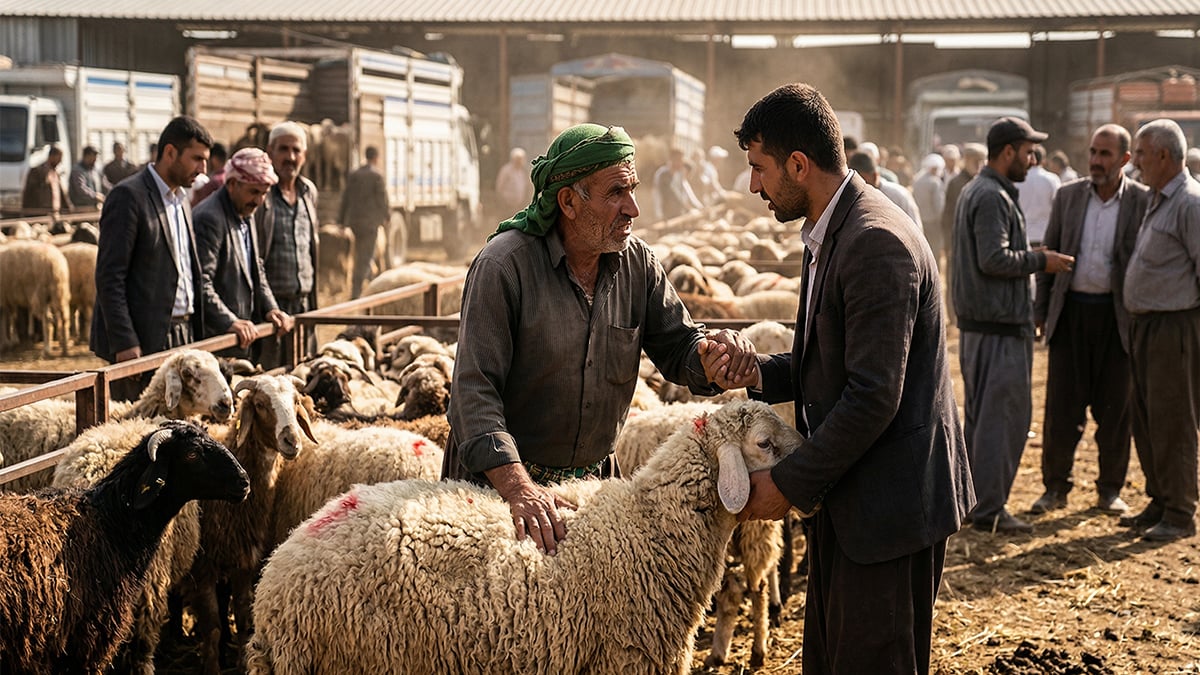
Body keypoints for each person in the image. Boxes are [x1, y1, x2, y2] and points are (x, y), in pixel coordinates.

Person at [704, 82, 973, 675]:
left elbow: (875, 395)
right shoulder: (830, 234)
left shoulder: (875, 242)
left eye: (759, 168)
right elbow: (827, 360)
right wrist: (755, 372)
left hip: (887, 511)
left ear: (799, 164)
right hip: (850, 497)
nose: (753, 186)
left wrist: (787, 484)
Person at [443, 123, 752, 556]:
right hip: (498, 499)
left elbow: (678, 345)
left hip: (590, 491)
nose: (634, 209)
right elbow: (474, 393)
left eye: (634, 190)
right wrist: (518, 488)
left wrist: (711, 356)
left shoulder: (637, 264)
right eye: (616, 193)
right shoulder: (504, 268)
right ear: (568, 201)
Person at [951, 117, 1075, 534]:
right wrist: (1043, 260)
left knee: (984, 419)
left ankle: (974, 503)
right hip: (998, 329)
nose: (1033, 158)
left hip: (983, 326)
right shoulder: (991, 196)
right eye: (1027, 151)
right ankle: (988, 510)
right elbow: (994, 259)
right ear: (1008, 153)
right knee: (1002, 421)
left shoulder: (981, 189)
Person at [1031, 124, 1150, 517]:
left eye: (1106, 154)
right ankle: (1054, 488)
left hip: (1118, 320)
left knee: (1116, 410)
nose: (1097, 161)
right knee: (1062, 409)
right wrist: (1042, 313)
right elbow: (1049, 258)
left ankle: (1109, 489)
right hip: (1071, 315)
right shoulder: (1068, 196)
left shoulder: (1142, 202)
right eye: (1094, 153)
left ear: (1125, 160)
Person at [91, 116, 213, 401]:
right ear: (170, 152)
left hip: (182, 332)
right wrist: (125, 340)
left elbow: (184, 267)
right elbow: (110, 276)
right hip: (143, 338)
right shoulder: (128, 197)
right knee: (138, 429)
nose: (203, 168)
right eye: (197, 158)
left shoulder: (181, 199)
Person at [1120, 119, 1200, 542]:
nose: (1135, 162)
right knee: (1146, 417)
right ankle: (1160, 497)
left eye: (1141, 153)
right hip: (1147, 327)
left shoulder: (1189, 203)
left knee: (1173, 420)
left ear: (1164, 157)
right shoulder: (1158, 199)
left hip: (1175, 329)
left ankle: (1180, 511)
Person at [194, 147, 295, 360]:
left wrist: (271, 308)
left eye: (264, 193)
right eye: (254, 192)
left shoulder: (245, 212)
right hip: (219, 341)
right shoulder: (210, 218)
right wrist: (229, 321)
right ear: (232, 184)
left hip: (243, 336)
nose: (259, 201)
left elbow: (255, 266)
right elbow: (201, 282)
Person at [255, 121, 319, 370]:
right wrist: (267, 305)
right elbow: (255, 258)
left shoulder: (308, 192)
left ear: (304, 155)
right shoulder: (262, 194)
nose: (290, 157)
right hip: (272, 307)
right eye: (283, 149)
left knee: (304, 372)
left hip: (303, 304)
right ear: (270, 152)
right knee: (272, 376)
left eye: (296, 150)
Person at [339, 145, 390, 298]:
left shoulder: (354, 174)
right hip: (370, 225)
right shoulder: (377, 176)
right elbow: (383, 200)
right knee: (366, 258)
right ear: (376, 158)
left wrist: (341, 221)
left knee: (359, 256)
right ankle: (364, 292)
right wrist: (386, 217)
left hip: (355, 224)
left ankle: (360, 290)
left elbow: (345, 198)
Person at [847, 150, 921, 225]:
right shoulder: (851, 197)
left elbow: (916, 228)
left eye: (864, 180)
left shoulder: (899, 195)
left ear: (875, 176)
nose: (861, 184)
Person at [1016, 145, 1061, 247]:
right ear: (1044, 160)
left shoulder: (1017, 181)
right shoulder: (1052, 180)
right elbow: (1059, 208)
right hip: (1045, 235)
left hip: (1024, 235)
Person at [654, 147, 703, 221]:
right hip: (666, 215)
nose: (681, 162)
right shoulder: (662, 174)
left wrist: (698, 206)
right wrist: (659, 215)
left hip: (677, 213)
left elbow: (684, 192)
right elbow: (657, 194)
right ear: (672, 159)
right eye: (679, 160)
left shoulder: (678, 174)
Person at [912, 153, 947, 255]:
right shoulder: (935, 182)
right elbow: (939, 205)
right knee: (934, 250)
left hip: (919, 220)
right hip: (933, 222)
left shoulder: (917, 180)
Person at [21, 145, 70, 217]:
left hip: (54, 213)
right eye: (58, 158)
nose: (60, 161)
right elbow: (29, 193)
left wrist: (67, 208)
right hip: (40, 214)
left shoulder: (55, 174)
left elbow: (60, 194)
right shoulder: (37, 172)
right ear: (52, 156)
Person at [494, 147, 534, 218]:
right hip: (507, 204)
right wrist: (502, 200)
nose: (521, 161)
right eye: (519, 159)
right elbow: (499, 186)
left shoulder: (522, 172)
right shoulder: (506, 170)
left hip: (519, 205)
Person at [68, 145, 105, 210]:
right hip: (81, 208)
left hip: (95, 206)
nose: (95, 159)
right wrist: (95, 196)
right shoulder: (77, 170)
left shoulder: (95, 169)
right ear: (86, 156)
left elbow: (104, 183)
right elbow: (80, 188)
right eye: (93, 157)